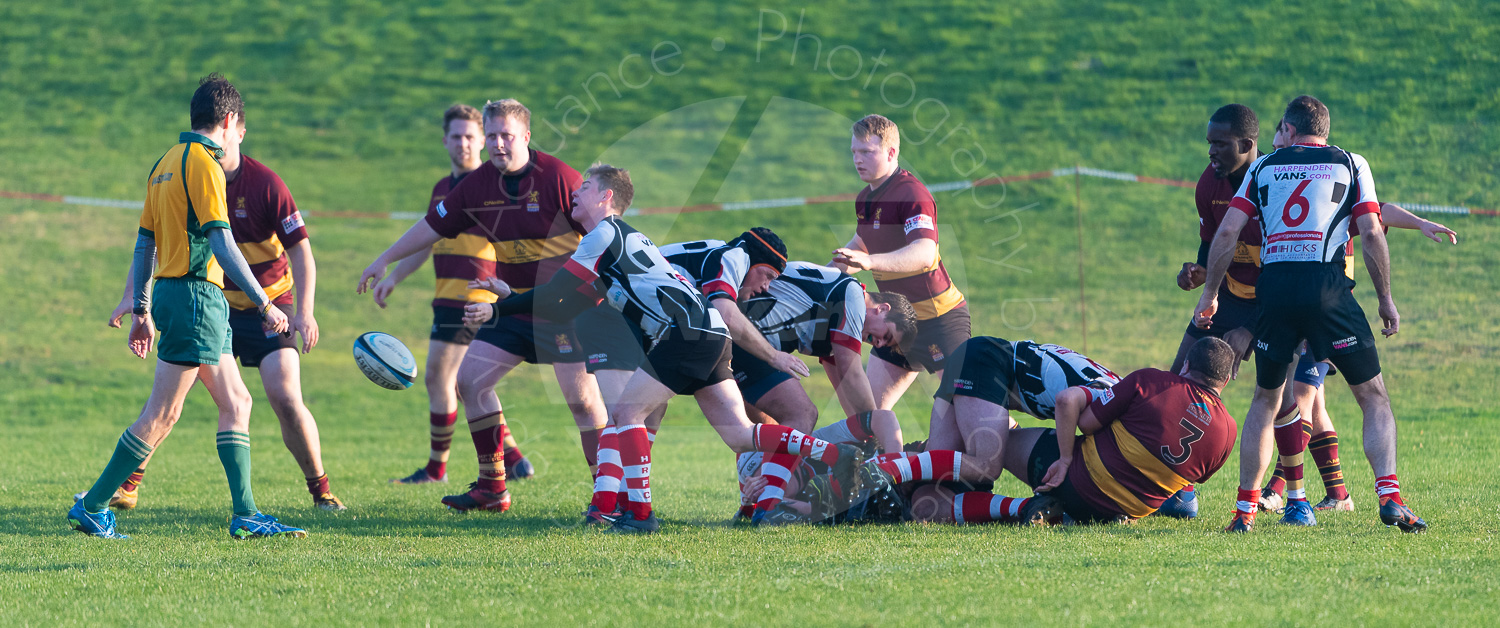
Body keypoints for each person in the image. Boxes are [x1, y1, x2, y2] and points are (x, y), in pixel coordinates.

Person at [464, 163, 863, 534]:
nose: (575, 192)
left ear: (605, 196)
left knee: (626, 413)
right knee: (741, 435)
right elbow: (567, 302)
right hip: (711, 333)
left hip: (686, 333)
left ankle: (639, 515)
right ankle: (834, 455)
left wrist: (497, 309)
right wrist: (510, 295)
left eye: (584, 187)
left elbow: (556, 293)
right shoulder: (626, 238)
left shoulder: (603, 234)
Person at [69, 74, 305, 539]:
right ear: (229, 120)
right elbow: (221, 241)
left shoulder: (164, 163)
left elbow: (145, 244)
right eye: (239, 128)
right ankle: (93, 506)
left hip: (185, 297)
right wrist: (265, 303)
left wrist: (142, 310)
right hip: (196, 297)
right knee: (163, 413)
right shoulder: (204, 163)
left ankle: (246, 514)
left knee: (237, 401)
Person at [358, 99, 608, 513]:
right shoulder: (477, 185)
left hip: (565, 311)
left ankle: (608, 497)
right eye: (491, 136)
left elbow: (604, 234)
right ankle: (493, 488)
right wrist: (385, 259)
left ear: (526, 136)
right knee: (470, 382)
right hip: (512, 306)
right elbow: (431, 226)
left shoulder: (559, 178)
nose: (497, 144)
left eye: (506, 135)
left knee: (582, 403)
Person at [95, 106, 344, 512]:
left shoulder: (257, 182)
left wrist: (303, 310)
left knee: (264, 398)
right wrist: (134, 298)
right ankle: (110, 494)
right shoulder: (198, 168)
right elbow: (185, 240)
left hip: (257, 306)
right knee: (168, 405)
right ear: (229, 123)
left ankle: (312, 494)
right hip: (209, 303)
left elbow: (301, 251)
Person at [1195, 95, 1425, 533]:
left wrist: (1210, 295)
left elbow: (1227, 233)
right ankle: (1390, 497)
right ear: (1324, 131)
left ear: (1289, 128)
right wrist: (1385, 300)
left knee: (1265, 400)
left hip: (1275, 290)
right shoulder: (1351, 163)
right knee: (1372, 397)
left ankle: (1244, 512)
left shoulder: (1264, 166)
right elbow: (1371, 231)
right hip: (1328, 291)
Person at [1252, 118, 1458, 519]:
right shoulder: (1290, 190)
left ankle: (1278, 488)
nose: (1279, 149)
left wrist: (1419, 223)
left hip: (1327, 310)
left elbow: (1379, 214)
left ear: (1291, 132)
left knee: (1301, 395)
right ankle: (1339, 494)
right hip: (1301, 304)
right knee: (1314, 404)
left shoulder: (1332, 189)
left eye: (1280, 139)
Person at [867, 337, 1240, 527]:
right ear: (1225, 381)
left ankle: (1026, 507)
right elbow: (1067, 402)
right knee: (983, 466)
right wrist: (1065, 459)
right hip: (983, 360)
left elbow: (1092, 425)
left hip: (996, 386)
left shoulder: (1138, 392)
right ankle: (885, 469)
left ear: (1185, 365)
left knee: (927, 503)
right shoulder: (1116, 393)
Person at [579, 230, 806, 523]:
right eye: (767, 275)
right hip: (619, 317)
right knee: (628, 411)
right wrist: (774, 356)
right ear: (753, 260)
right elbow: (725, 312)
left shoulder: (714, 256)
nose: (765, 287)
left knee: (641, 411)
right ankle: (610, 505)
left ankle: (613, 505)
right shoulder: (735, 255)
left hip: (649, 324)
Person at [369, 104, 536, 486]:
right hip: (446, 296)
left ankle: (436, 470)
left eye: (470, 137)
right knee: (466, 384)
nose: (463, 143)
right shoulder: (442, 189)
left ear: (481, 141)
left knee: (442, 378)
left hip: (475, 296)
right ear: (445, 141)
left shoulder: (490, 185)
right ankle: (513, 458)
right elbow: (428, 240)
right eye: (456, 136)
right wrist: (396, 276)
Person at [732, 261, 918, 521]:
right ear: (883, 309)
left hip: (744, 336)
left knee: (783, 425)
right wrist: (874, 435)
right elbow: (852, 373)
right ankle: (766, 507)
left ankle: (762, 503)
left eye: (882, 343)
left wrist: (867, 427)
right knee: (801, 414)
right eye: (885, 336)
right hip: (746, 333)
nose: (877, 343)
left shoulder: (839, 318)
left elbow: (843, 383)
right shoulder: (853, 296)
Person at [832, 114, 970, 410]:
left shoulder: (911, 193)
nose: (857, 159)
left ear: (891, 152)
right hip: (896, 323)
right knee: (867, 414)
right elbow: (860, 247)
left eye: (866, 152)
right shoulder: (865, 198)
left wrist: (869, 261)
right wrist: (821, 278)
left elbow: (924, 252)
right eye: (854, 151)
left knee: (968, 410)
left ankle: (1024, 441)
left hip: (939, 319)